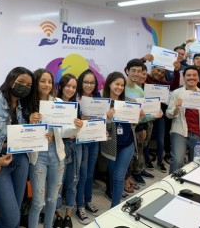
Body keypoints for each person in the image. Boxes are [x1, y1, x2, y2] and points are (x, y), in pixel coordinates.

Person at [27, 69, 81, 228]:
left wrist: (76, 128)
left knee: (52, 199)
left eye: (49, 81)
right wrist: (32, 124)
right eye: (42, 81)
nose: (46, 84)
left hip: (57, 155)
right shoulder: (28, 104)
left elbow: (63, 131)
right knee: (38, 202)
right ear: (36, 82)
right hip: (38, 157)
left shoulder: (57, 101)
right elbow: (21, 133)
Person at [0, 67, 33, 228]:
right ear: (11, 81)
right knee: (11, 217)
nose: (24, 87)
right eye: (21, 82)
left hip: (20, 159)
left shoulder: (23, 108)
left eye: (29, 85)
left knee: (16, 213)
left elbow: (24, 136)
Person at [100, 71, 140, 207]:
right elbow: (100, 129)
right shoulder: (103, 103)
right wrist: (109, 119)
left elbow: (133, 124)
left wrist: (139, 117)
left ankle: (114, 207)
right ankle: (113, 195)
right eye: (117, 84)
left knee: (118, 177)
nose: (120, 87)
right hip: (110, 145)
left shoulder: (129, 102)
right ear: (109, 84)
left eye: (122, 85)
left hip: (127, 144)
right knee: (113, 174)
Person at [166, 66, 200, 174]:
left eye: (194, 75)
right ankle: (172, 185)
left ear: (198, 78)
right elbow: (169, 114)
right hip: (180, 132)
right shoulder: (176, 93)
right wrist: (177, 107)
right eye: (188, 75)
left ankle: (191, 187)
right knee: (177, 160)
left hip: (198, 133)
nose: (191, 77)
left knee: (196, 163)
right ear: (184, 77)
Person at [54, 74, 83, 228]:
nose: (71, 89)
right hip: (59, 146)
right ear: (61, 87)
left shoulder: (76, 106)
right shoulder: (54, 104)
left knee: (73, 181)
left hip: (75, 146)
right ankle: (58, 214)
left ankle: (68, 215)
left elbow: (79, 129)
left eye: (73, 87)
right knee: (58, 183)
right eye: (68, 86)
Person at [145, 60, 181, 172]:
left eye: (162, 72)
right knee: (147, 139)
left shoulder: (163, 84)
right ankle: (147, 161)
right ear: (152, 68)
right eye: (158, 70)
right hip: (147, 114)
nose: (160, 73)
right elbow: (131, 70)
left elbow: (174, 84)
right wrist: (144, 59)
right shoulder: (146, 79)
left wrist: (176, 71)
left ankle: (160, 162)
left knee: (160, 140)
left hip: (160, 115)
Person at [75, 69, 101, 225]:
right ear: (80, 82)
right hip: (81, 140)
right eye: (86, 82)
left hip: (94, 139)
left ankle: (88, 200)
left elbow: (102, 117)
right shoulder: (75, 97)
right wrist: (80, 118)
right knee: (82, 174)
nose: (89, 85)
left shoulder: (97, 97)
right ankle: (80, 205)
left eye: (92, 82)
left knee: (91, 172)